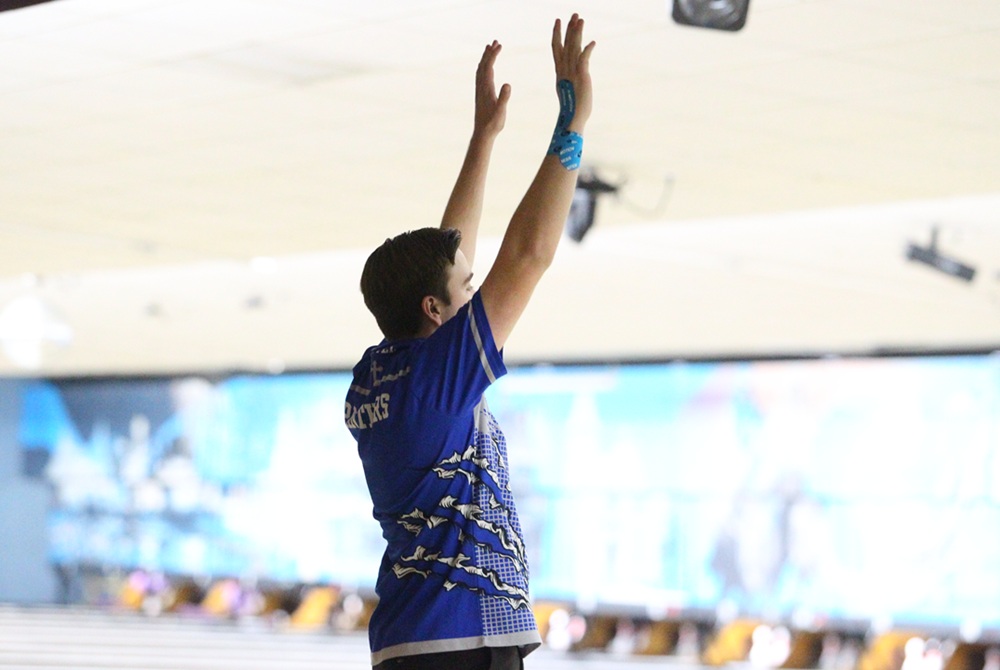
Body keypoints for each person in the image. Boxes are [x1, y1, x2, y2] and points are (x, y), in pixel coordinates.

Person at [345, 14, 596, 670]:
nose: (476, 289)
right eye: (467, 288)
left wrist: (484, 139)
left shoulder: (383, 373)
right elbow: (529, 253)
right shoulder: (431, 383)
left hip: (421, 640)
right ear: (435, 312)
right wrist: (571, 128)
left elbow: (448, 258)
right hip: (459, 642)